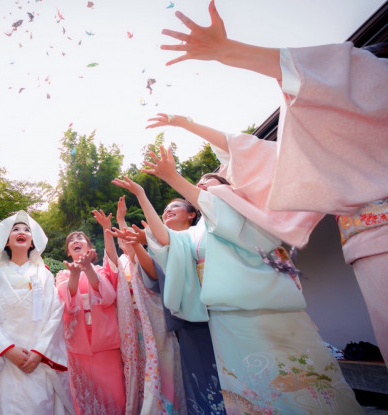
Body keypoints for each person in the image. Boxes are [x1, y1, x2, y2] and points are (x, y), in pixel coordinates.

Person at [159, 0, 388, 360]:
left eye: (211, 183)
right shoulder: (203, 225)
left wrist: (226, 53)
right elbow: (246, 150)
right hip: (364, 246)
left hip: (264, 299)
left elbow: (243, 150)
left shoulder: (233, 203)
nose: (206, 186)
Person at [118, 145, 363, 414]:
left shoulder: (244, 211)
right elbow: (166, 242)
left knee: (300, 380)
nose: (201, 186)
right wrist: (141, 195)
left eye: (208, 181)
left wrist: (173, 177)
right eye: (198, 184)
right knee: (249, 389)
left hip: (268, 311)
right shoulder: (197, 232)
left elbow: (216, 205)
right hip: (226, 319)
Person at [110, 186, 225, 414]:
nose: (168, 211)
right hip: (189, 323)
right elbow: (154, 274)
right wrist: (133, 240)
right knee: (201, 380)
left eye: (175, 206)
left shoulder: (206, 234)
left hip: (222, 314)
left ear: (192, 214)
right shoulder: (160, 245)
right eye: (164, 209)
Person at [0, 211, 74, 415]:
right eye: (15, 229)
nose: (21, 232)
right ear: (6, 242)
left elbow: (55, 315)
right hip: (4, 361)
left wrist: (39, 352)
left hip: (38, 361)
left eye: (26, 229)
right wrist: (7, 349)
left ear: (33, 242)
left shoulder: (43, 275)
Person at [111, 196, 187, 414]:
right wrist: (119, 220)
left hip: (155, 321)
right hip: (133, 326)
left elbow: (138, 256)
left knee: (163, 364)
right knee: (139, 368)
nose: (124, 242)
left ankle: (166, 407)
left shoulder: (143, 257)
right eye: (121, 241)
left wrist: (122, 221)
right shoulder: (121, 262)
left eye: (128, 239)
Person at [55, 212, 125, 415]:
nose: (76, 242)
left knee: (115, 395)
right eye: (72, 241)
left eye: (81, 239)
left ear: (89, 248)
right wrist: (75, 274)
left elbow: (107, 295)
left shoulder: (101, 270)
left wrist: (88, 270)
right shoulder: (62, 274)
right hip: (78, 345)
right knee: (84, 395)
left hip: (105, 342)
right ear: (69, 251)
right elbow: (66, 301)